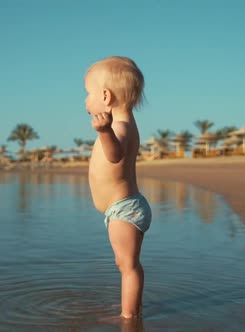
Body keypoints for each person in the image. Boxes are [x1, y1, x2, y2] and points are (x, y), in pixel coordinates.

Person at [84, 56, 152, 319]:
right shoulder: (122, 125)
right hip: (123, 209)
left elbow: (115, 155)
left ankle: (129, 316)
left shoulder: (119, 128)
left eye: (88, 94)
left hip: (125, 210)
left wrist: (104, 133)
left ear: (105, 96)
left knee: (128, 266)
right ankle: (133, 306)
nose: (85, 100)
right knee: (126, 263)